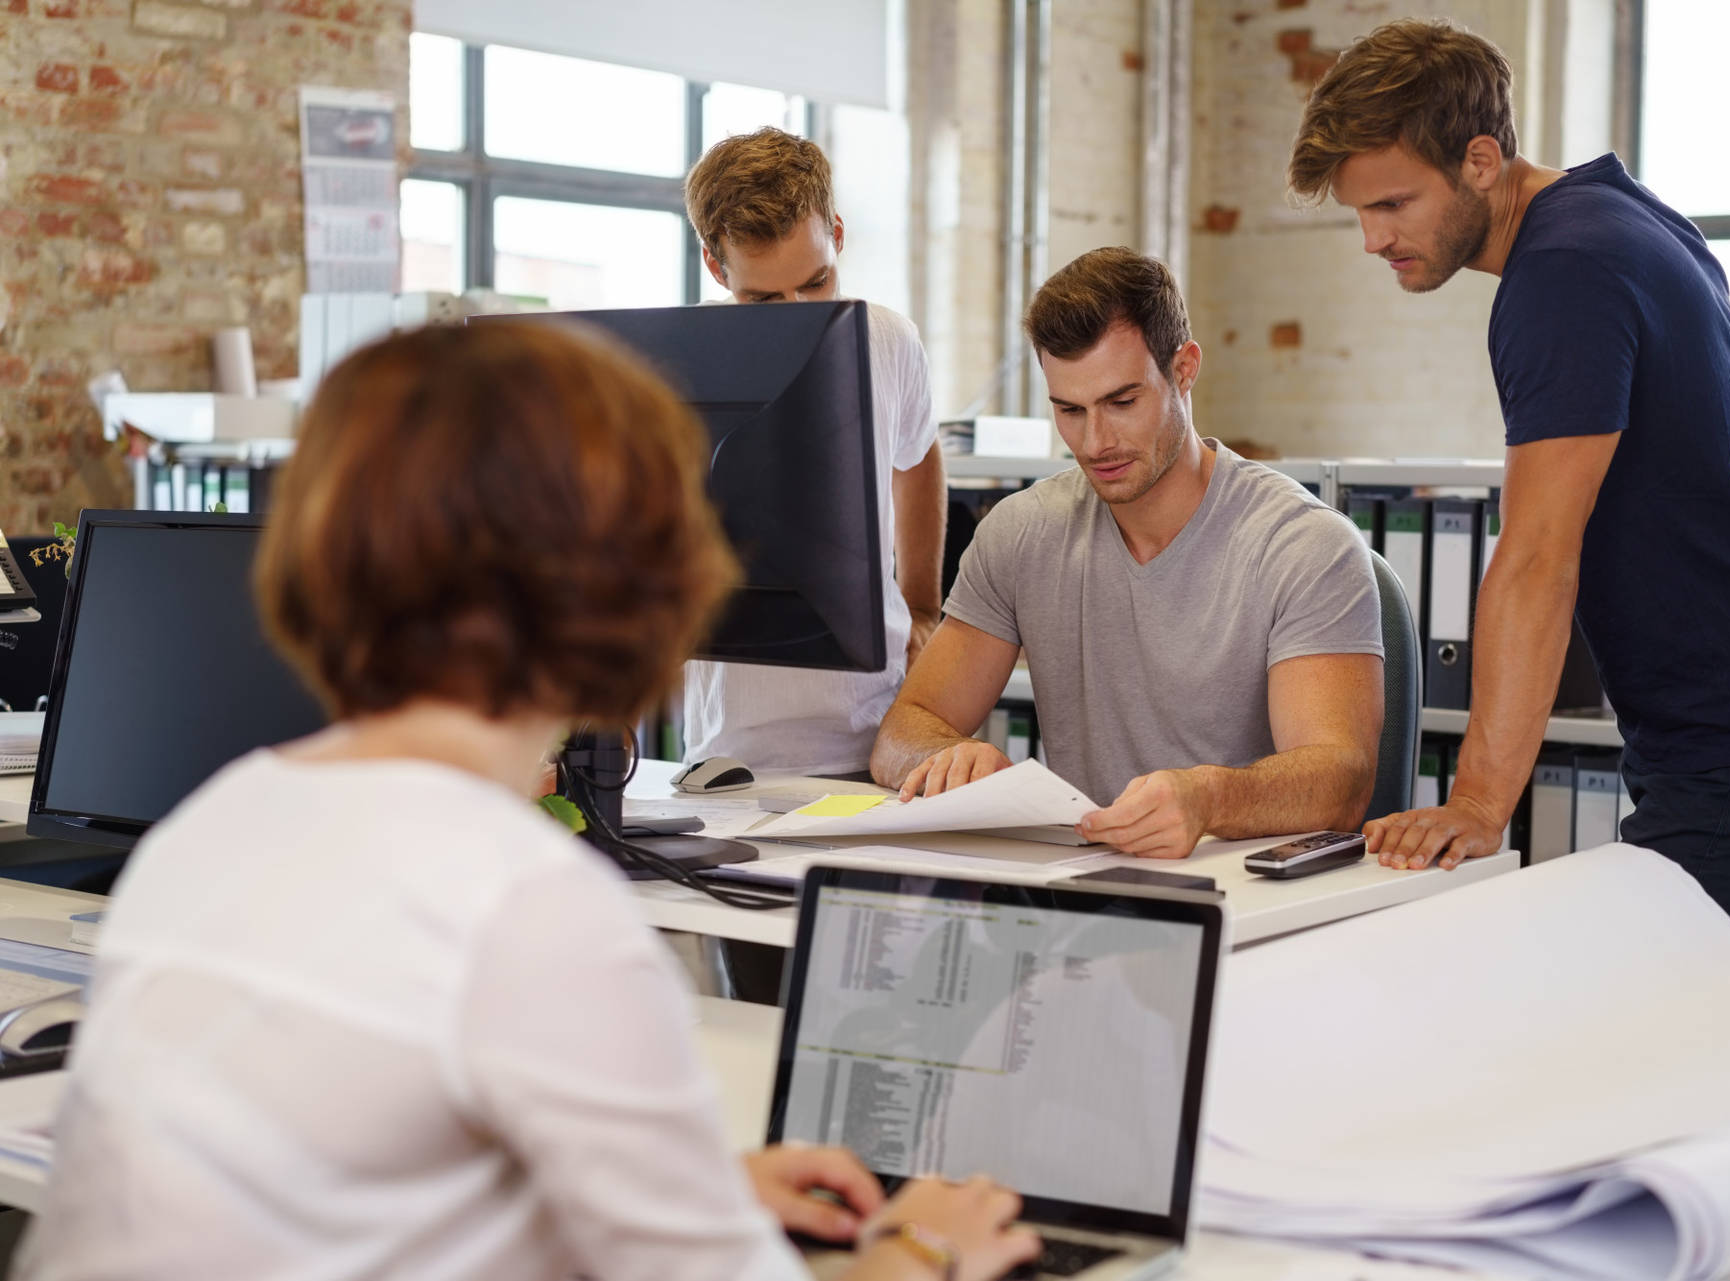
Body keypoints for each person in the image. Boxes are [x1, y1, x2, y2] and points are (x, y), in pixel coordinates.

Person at [15, 323, 1038, 1281]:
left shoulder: (217, 823)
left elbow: (364, 1185)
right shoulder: (524, 907)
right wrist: (918, 1251)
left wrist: (689, 1191)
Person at [1288, 18, 1730, 952]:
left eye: (1393, 203)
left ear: (1481, 158)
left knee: (1627, 1025)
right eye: (1360, 211)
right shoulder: (1613, 211)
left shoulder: (1564, 271)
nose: (1372, 239)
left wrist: (1479, 799)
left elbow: (1536, 556)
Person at [870, 248, 1385, 859]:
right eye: (1069, 410)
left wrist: (1209, 800)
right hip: (1079, 889)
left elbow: (1340, 781)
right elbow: (899, 735)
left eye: (1122, 402)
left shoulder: (1305, 546)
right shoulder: (1022, 534)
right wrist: (944, 757)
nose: (1095, 442)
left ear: (1185, 369)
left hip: (1242, 898)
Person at [681, 126, 946, 778]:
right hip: (731, 748)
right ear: (717, 267)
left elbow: (919, 456)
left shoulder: (888, 338)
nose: (796, 311)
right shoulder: (686, 359)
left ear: (838, 232)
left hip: (874, 734)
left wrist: (922, 607)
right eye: (765, 298)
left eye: (816, 281)